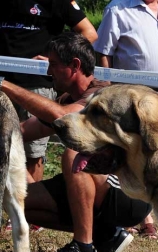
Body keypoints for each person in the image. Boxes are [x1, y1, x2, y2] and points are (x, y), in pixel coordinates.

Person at [0, 32, 150, 252]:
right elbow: (20, 132)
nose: (49, 72)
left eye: (54, 65)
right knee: (19, 201)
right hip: (103, 190)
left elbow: (64, 116)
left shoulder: (100, 94)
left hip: (129, 194)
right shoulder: (68, 97)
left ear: (75, 66)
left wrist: (3, 85)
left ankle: (83, 250)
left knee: (76, 152)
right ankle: (106, 235)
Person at [93, 0, 158, 238]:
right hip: (134, 100)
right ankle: (141, 217)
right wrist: (108, 92)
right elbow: (104, 53)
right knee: (134, 157)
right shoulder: (117, 9)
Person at [0, 0, 98, 183]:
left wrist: (55, 60)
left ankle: (33, 206)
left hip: (36, 85)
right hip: (2, 83)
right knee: (4, 142)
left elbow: (89, 33)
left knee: (33, 153)